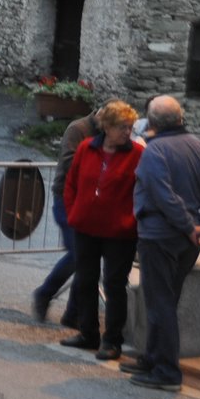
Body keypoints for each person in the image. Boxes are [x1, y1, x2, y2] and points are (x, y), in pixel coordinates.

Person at [124, 96, 200, 392]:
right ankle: (153, 359)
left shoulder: (155, 152)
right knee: (166, 300)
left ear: (151, 122)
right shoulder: (199, 146)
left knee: (160, 303)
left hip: (161, 236)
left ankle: (166, 371)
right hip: (185, 240)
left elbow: (163, 196)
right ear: (180, 118)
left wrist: (192, 226)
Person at [59, 100, 144, 361]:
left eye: (130, 127)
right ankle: (88, 333)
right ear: (106, 127)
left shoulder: (137, 154)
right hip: (86, 227)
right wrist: (74, 212)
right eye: (122, 127)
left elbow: (144, 192)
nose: (127, 132)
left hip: (120, 233)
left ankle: (112, 340)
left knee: (115, 285)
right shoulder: (86, 148)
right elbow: (71, 181)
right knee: (85, 281)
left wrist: (131, 220)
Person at [32, 105, 99, 328]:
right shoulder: (78, 129)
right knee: (79, 254)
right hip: (66, 199)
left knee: (87, 257)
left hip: (91, 202)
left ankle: (73, 313)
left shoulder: (109, 132)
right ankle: (44, 293)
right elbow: (70, 162)